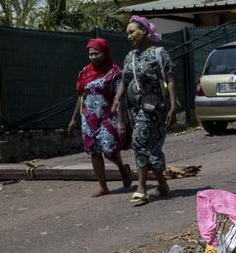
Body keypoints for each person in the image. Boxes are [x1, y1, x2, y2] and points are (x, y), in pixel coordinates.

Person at [112, 15, 177, 206]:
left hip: (155, 107)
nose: (129, 36)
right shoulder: (130, 57)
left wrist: (173, 107)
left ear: (145, 32)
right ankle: (162, 184)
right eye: (128, 33)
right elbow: (124, 80)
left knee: (139, 140)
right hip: (135, 108)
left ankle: (141, 188)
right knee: (151, 146)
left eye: (132, 32)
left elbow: (171, 80)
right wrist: (117, 98)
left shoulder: (159, 53)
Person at [67, 37, 132, 197]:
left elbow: (119, 97)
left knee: (109, 149)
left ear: (105, 52)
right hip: (88, 119)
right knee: (94, 152)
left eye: (97, 53)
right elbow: (81, 97)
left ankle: (123, 169)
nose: (94, 57)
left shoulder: (114, 72)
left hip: (107, 117)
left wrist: (121, 121)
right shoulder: (84, 73)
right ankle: (103, 186)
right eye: (91, 54)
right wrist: (74, 119)